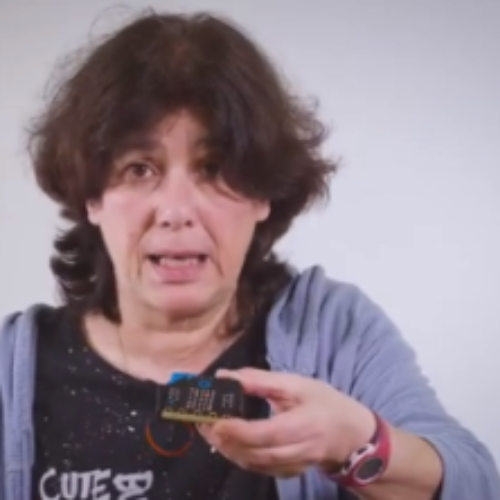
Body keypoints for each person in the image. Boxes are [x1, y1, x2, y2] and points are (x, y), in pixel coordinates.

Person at [0, 10, 498, 500]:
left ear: (263, 194)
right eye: (139, 169)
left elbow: (477, 483)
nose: (176, 211)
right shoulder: (13, 366)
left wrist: (357, 445)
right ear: (92, 197)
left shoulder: (332, 333)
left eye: (214, 168)